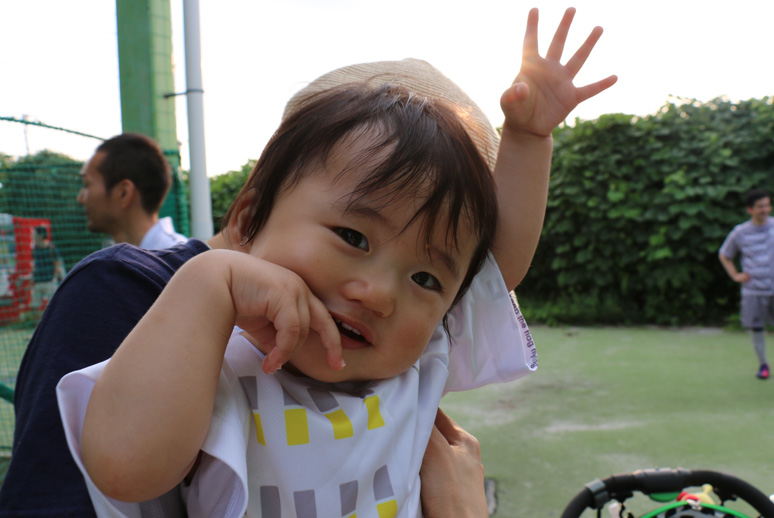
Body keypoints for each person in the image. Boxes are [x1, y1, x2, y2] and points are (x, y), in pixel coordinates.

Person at [55, 9, 616, 517]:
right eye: (352, 236)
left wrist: (530, 137)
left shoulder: (421, 365)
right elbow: (123, 470)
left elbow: (498, 262)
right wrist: (206, 282)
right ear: (247, 221)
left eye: (426, 278)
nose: (380, 294)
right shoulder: (210, 365)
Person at [76, 132, 187, 249]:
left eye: (87, 184)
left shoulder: (178, 257)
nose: (80, 199)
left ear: (124, 193)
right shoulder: (175, 254)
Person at [719, 187, 774, 380]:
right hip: (753, 291)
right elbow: (724, 255)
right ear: (750, 209)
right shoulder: (740, 232)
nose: (765, 210)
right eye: (760, 206)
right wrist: (735, 275)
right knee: (756, 328)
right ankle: (763, 365)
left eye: (767, 205)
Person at [29, 225, 64, 318]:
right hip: (37, 281)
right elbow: (34, 264)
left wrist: (54, 278)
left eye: (34, 234)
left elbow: (57, 265)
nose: (32, 236)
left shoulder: (51, 248)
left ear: (40, 236)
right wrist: (32, 277)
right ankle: (40, 326)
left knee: (53, 307)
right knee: (34, 307)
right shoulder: (35, 249)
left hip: (49, 281)